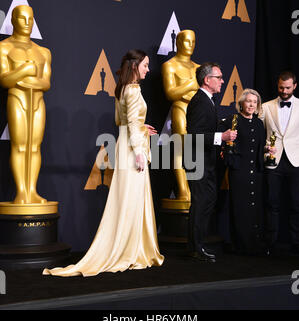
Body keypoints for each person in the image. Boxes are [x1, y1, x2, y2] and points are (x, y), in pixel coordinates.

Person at [43, 50, 164, 276]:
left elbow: (122, 121)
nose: (148, 69)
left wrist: (141, 127)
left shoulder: (121, 89)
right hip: (132, 149)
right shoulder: (134, 90)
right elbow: (129, 121)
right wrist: (139, 151)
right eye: (146, 65)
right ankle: (129, 250)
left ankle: (129, 247)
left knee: (126, 199)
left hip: (124, 143)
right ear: (136, 65)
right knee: (130, 199)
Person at [0, 5, 51, 204]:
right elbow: (4, 79)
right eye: (22, 18)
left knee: (35, 147)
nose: (27, 23)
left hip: (38, 100)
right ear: (13, 20)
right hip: (17, 99)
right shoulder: (4, 48)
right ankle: (21, 191)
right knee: (20, 146)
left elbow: (46, 83)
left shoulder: (43, 52)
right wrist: (25, 71)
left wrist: (22, 78)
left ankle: (32, 190)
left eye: (30, 18)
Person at [186, 62, 237, 262]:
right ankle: (196, 248)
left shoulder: (208, 101)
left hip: (205, 161)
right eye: (220, 77)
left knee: (206, 202)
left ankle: (197, 246)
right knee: (201, 203)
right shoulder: (200, 101)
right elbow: (194, 135)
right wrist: (220, 137)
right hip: (198, 162)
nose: (223, 81)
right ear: (208, 80)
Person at [219, 89, 267, 255]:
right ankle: (240, 244)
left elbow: (259, 147)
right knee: (240, 207)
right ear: (241, 103)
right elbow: (222, 140)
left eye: (255, 102)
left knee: (255, 208)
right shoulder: (233, 121)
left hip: (257, 171)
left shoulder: (260, 124)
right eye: (249, 101)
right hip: (239, 170)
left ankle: (255, 243)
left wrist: (267, 149)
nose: (252, 104)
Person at [259, 71, 299, 254]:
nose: (284, 91)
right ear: (277, 86)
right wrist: (264, 149)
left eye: (288, 88)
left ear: (295, 86)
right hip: (273, 161)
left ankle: (296, 243)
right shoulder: (266, 107)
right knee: (271, 203)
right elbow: (257, 134)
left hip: (296, 161)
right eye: (281, 87)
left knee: (296, 204)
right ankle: (270, 243)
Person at [162, 30, 200, 203]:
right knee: (180, 150)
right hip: (180, 108)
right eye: (186, 41)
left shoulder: (198, 68)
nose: (190, 45)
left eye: (193, 41)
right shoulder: (170, 65)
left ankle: (193, 189)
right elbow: (170, 93)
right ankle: (183, 191)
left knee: (196, 151)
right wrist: (191, 84)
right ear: (177, 42)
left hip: (197, 111)